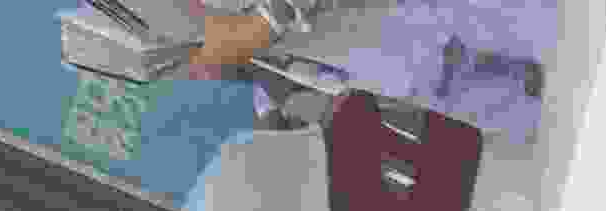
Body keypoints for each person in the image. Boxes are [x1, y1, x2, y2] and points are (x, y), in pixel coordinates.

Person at [180, 0, 551, 146]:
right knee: (555, 132)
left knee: (564, 39)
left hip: (456, 18)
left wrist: (267, 20)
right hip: (405, 75)